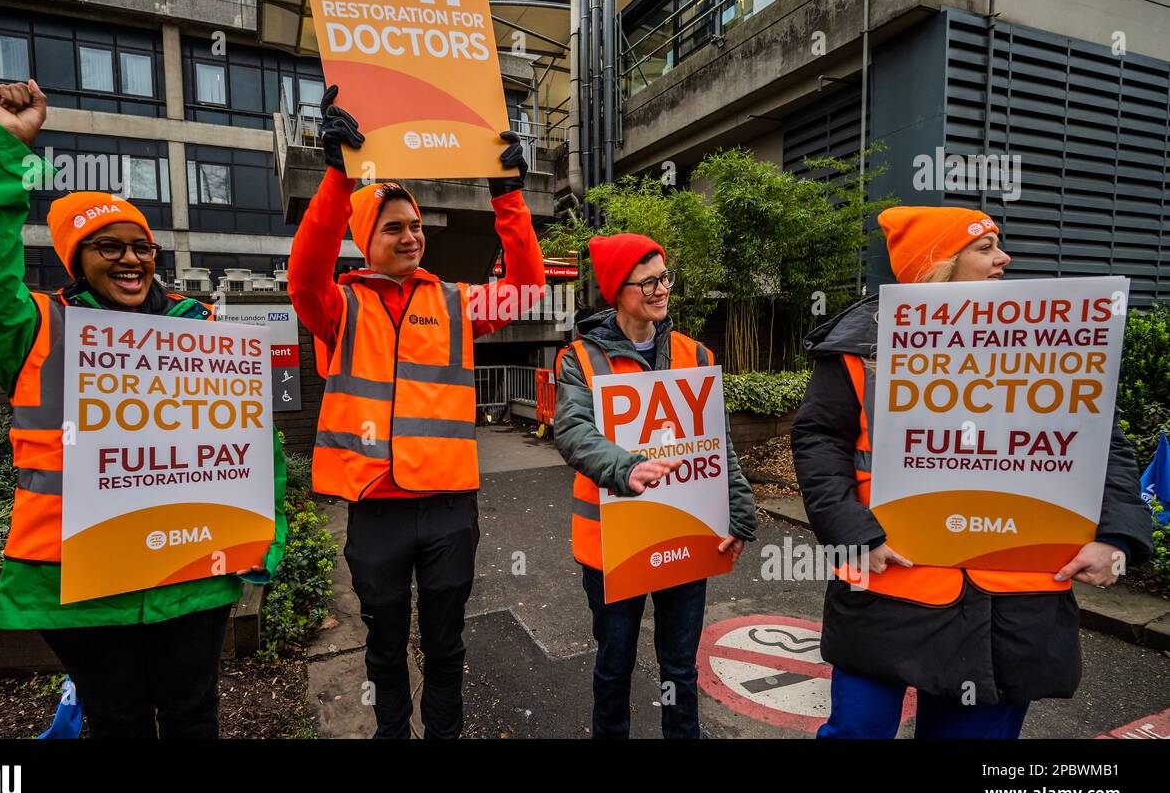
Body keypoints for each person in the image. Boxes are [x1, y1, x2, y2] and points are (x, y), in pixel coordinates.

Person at [0, 80, 287, 738]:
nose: (131, 259)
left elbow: (255, 446)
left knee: (195, 715)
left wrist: (263, 543)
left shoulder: (205, 329)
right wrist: (5, 146)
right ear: (76, 262)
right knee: (117, 722)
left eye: (140, 245)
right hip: (83, 584)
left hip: (190, 568)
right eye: (108, 246)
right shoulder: (34, 330)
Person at [792, 206, 1152, 739]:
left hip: (1011, 598)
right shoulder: (857, 348)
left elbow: (1102, 445)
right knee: (857, 733)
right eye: (984, 249)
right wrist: (851, 533)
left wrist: (1118, 535)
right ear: (937, 264)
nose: (1003, 258)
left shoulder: (1048, 335)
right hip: (888, 576)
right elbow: (819, 440)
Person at [287, 85, 544, 738]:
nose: (412, 236)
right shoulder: (338, 308)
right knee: (383, 648)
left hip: (449, 508)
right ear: (364, 239)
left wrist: (507, 192)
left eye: (417, 226)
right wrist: (339, 179)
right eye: (395, 227)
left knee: (447, 647)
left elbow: (525, 287)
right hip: (375, 508)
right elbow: (303, 277)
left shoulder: (456, 303)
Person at [553, 233, 757, 738]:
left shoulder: (696, 353)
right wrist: (626, 467)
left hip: (684, 536)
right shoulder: (580, 359)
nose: (661, 289)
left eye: (664, 276)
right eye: (648, 281)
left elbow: (718, 443)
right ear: (616, 291)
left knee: (680, 670)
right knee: (614, 666)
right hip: (612, 547)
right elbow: (574, 431)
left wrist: (738, 514)